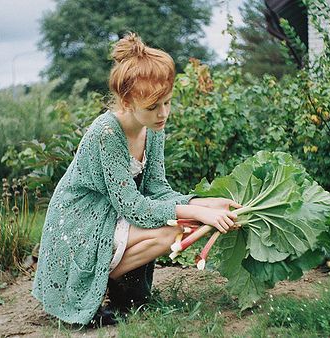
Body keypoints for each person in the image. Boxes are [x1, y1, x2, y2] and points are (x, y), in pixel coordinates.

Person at [32, 32, 240, 327]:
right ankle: (99, 285)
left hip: (111, 216)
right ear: (128, 102)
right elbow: (134, 208)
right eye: (154, 107)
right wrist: (196, 211)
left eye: (167, 102)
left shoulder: (153, 127)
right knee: (172, 231)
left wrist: (203, 202)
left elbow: (157, 190)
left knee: (180, 224)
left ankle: (115, 287)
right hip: (80, 223)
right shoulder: (106, 133)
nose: (163, 113)